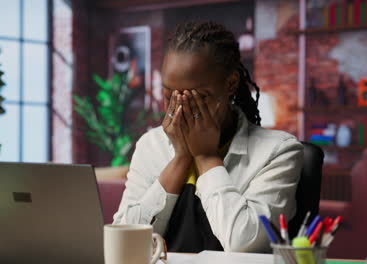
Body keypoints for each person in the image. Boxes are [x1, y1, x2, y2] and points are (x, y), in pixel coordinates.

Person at [113, 21, 303, 253]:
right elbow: (123, 241)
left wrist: (205, 156)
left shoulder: (278, 151)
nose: (181, 109)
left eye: (197, 98)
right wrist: (181, 158)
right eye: (169, 96)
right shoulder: (150, 145)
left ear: (230, 84)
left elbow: (245, 245)